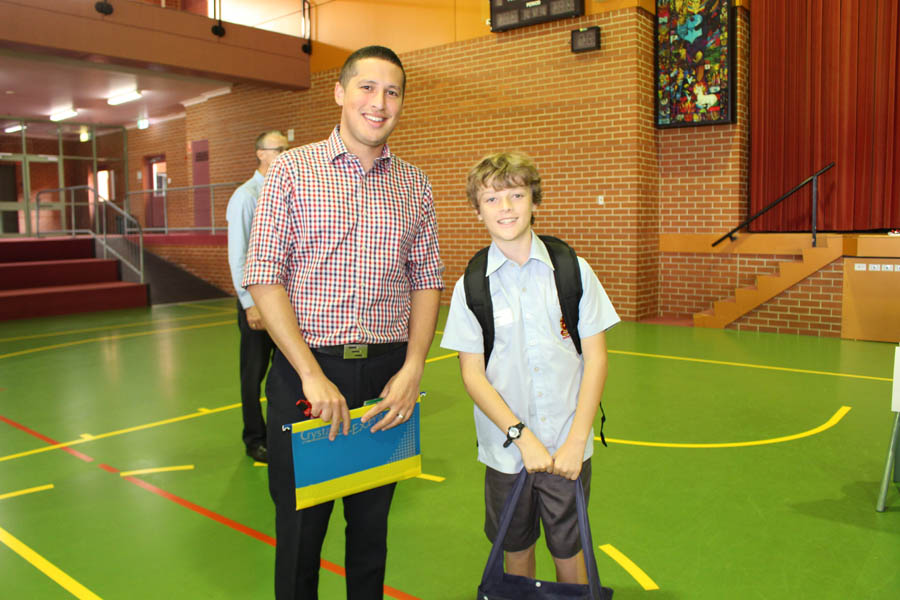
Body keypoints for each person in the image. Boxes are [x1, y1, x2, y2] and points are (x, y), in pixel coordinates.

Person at [242, 46, 443, 600]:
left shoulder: (414, 184)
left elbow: (427, 280)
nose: (379, 102)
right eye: (367, 87)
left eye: (392, 92)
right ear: (340, 92)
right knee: (301, 537)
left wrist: (413, 368)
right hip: (309, 377)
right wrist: (310, 374)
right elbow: (263, 276)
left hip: (385, 382)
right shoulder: (291, 171)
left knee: (372, 537)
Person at [440, 152, 619, 584]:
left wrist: (577, 440)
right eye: (491, 199)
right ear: (478, 210)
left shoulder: (573, 270)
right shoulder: (471, 285)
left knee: (569, 550)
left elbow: (596, 359)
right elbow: (473, 375)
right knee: (516, 550)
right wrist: (521, 437)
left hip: (566, 448)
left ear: (534, 200)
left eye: (516, 195)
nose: (505, 208)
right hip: (506, 451)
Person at [226, 130, 288, 464]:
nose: (284, 154)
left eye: (287, 149)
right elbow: (239, 255)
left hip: (284, 302)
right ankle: (254, 439)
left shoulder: (284, 192)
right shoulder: (246, 197)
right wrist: (249, 303)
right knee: (253, 374)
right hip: (258, 302)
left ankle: (282, 434)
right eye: (278, 149)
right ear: (260, 154)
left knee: (286, 371)